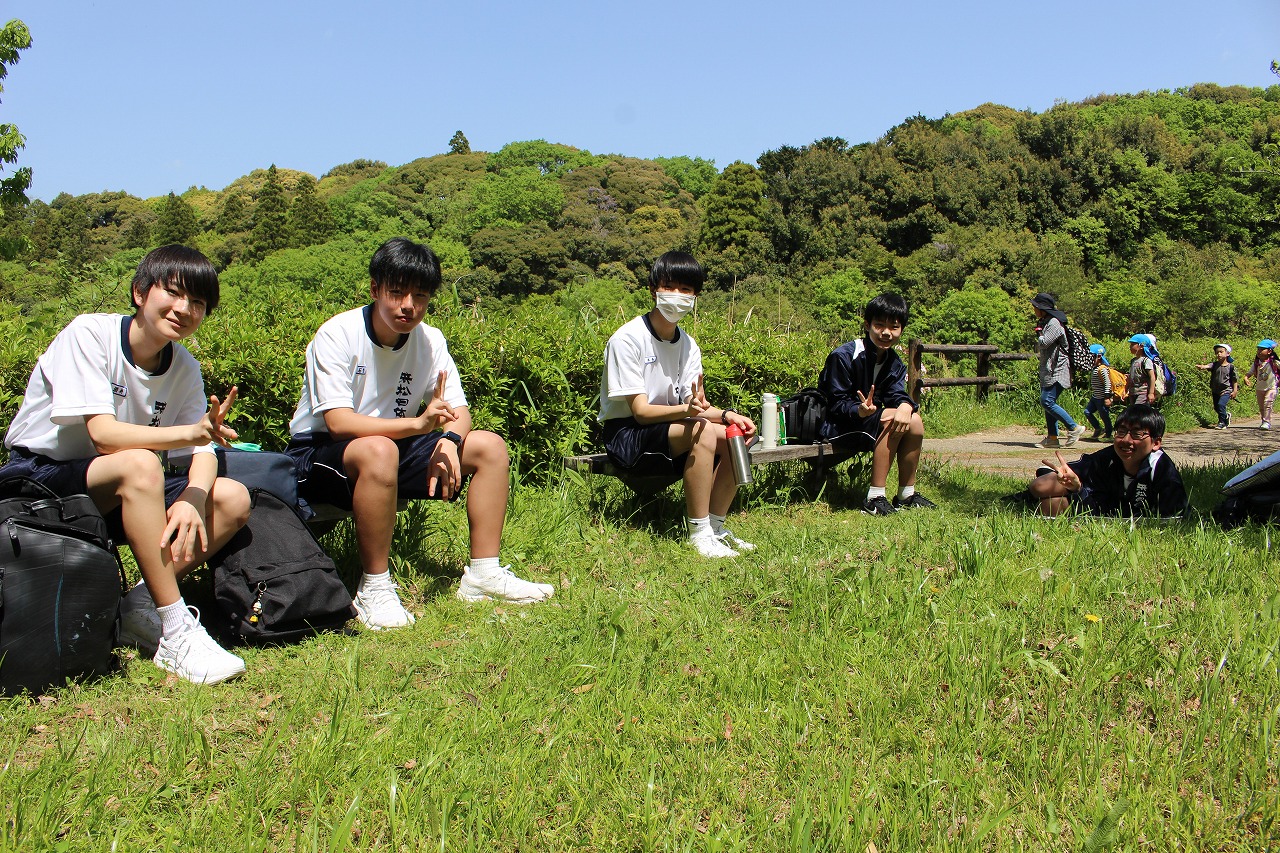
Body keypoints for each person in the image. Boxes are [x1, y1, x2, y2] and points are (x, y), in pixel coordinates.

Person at [0, 245, 251, 684]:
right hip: (40, 481)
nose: (184, 309)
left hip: (114, 487)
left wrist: (193, 498)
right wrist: (189, 434)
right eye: (174, 293)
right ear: (139, 292)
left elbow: (203, 451)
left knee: (230, 497)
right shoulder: (89, 335)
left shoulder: (184, 367)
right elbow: (104, 435)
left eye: (198, 303)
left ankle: (139, 606)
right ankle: (176, 630)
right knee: (140, 465)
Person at [286, 237, 553, 624]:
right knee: (379, 449)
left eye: (420, 296)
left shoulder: (430, 340)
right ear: (375, 289)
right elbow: (338, 423)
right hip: (320, 455)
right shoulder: (337, 334)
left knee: (488, 447)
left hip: (394, 447)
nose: (408, 305)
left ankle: (483, 574)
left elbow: (459, 410)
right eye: (396, 293)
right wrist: (416, 425)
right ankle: (374, 587)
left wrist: (448, 440)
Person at [599, 251, 758, 558]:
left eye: (686, 290)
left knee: (734, 433)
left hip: (671, 427)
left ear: (695, 295)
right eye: (669, 286)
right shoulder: (627, 339)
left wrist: (727, 415)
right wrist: (690, 413)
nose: (677, 296)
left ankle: (716, 527)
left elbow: (696, 405)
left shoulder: (687, 344)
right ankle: (698, 533)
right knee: (703, 430)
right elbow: (642, 413)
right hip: (626, 436)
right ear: (653, 289)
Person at [817, 292, 936, 516]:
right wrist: (859, 410)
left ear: (901, 329)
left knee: (914, 421)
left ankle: (906, 494)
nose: (886, 332)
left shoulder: (893, 362)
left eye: (894, 327)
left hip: (868, 421)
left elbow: (896, 394)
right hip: (835, 425)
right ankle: (874, 497)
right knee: (893, 419)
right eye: (879, 325)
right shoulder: (843, 356)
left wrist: (906, 406)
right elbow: (833, 405)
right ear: (867, 325)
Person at [1028, 404, 1187, 518]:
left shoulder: (1162, 469)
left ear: (1156, 443)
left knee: (1049, 506)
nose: (1126, 440)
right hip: (1102, 506)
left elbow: (1175, 516)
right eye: (1121, 432)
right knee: (1040, 487)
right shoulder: (1108, 457)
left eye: (1136, 434)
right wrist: (1076, 487)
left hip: (1127, 515)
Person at [1031, 293, 1086, 449]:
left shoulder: (1054, 323)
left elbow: (1044, 343)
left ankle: (1074, 428)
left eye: (1036, 306)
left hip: (1058, 370)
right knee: (1049, 402)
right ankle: (1052, 438)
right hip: (1049, 370)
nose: (1034, 309)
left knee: (1046, 400)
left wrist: (1039, 332)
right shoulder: (1046, 321)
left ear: (1042, 309)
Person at [1195, 343, 1238, 429]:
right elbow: (1207, 366)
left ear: (1227, 353)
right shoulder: (1214, 365)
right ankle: (1226, 416)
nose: (1219, 354)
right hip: (1215, 390)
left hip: (1226, 390)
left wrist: (1235, 391)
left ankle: (1221, 422)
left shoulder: (1231, 367)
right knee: (1216, 407)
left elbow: (1234, 380)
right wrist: (1202, 367)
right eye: (1217, 352)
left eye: (1221, 352)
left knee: (1221, 404)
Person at [1243, 339, 1279, 431]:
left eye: (1262, 349)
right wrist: (1246, 378)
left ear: (1269, 351)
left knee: (1268, 403)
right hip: (1259, 388)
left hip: (1272, 387)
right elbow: (1250, 372)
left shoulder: (1274, 362)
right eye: (1258, 349)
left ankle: (1267, 422)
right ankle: (1263, 421)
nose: (1259, 351)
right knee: (1261, 406)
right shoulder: (1256, 363)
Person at [1084, 343, 1115, 441]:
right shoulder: (1094, 368)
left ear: (1099, 356)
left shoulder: (1102, 369)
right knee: (1087, 412)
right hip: (1095, 397)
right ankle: (1098, 428)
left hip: (1102, 398)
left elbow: (1107, 383)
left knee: (1104, 416)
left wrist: (1107, 397)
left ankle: (1109, 433)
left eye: (1091, 356)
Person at [1126, 333, 1161, 407]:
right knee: (1134, 413)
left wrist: (1151, 393)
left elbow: (1152, 377)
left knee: (1139, 412)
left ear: (1141, 346)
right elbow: (1130, 377)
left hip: (1143, 393)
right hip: (1133, 392)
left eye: (1133, 344)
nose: (1130, 347)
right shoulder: (1133, 360)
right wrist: (1126, 390)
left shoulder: (1146, 361)